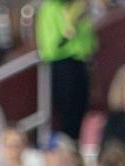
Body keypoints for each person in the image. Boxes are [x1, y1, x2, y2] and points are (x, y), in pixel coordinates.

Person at [35, 0, 97, 143]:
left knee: (81, 109)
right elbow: (51, 47)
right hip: (61, 65)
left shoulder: (77, 6)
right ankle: (68, 147)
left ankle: (76, 145)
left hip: (81, 64)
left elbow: (91, 43)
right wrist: (72, 23)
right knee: (67, 113)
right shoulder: (49, 8)